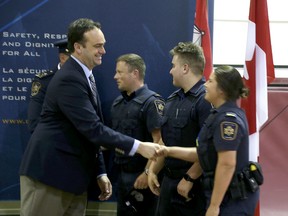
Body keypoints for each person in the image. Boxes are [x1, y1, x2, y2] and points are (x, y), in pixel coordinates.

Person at [19, 18, 161, 216]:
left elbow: (89, 133)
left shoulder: (84, 76)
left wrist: (100, 172)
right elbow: (93, 129)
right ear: (78, 47)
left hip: (73, 178)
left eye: (103, 45)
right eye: (97, 46)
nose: (103, 51)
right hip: (51, 176)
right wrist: (140, 146)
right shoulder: (70, 78)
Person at [158, 65, 260, 216]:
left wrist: (214, 206)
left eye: (210, 81)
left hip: (230, 201)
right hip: (220, 195)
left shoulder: (228, 120)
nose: (205, 84)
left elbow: (227, 164)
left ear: (222, 89)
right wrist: (168, 151)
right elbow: (204, 152)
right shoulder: (217, 115)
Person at [148, 42, 212, 216]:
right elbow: (165, 140)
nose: (170, 71)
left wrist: (190, 177)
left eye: (173, 66)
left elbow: (209, 147)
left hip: (192, 186)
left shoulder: (206, 99)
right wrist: (152, 170)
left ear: (185, 68)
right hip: (168, 181)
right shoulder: (172, 100)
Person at [110, 53, 165, 216]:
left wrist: (147, 173)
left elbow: (159, 141)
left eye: (120, 72)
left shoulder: (152, 102)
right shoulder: (117, 103)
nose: (115, 77)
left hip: (142, 176)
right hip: (121, 174)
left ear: (135, 73)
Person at [27, 38, 70, 133]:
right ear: (63, 58)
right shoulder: (45, 81)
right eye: (75, 60)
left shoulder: (88, 78)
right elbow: (35, 123)